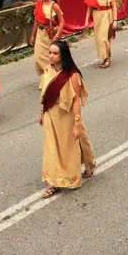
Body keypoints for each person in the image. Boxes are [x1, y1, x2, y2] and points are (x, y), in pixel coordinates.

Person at [39, 41, 96, 198]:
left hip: (67, 114)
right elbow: (45, 94)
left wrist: (77, 123)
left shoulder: (72, 75)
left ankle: (86, 164)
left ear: (63, 55)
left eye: (55, 53)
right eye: (50, 52)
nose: (51, 56)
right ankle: (54, 182)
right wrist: (42, 112)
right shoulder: (48, 70)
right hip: (51, 113)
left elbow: (76, 100)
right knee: (52, 148)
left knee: (70, 146)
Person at [84, 0, 118, 69]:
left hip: (107, 15)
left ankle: (107, 58)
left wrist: (115, 20)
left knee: (104, 38)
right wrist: (86, 20)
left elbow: (114, 7)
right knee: (99, 38)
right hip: (97, 16)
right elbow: (89, 7)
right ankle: (104, 56)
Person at [30, 0, 64, 76]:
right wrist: (33, 36)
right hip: (41, 34)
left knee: (52, 57)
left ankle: (53, 76)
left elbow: (62, 22)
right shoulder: (38, 4)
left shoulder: (54, 6)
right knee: (38, 58)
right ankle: (47, 76)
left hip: (51, 34)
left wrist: (57, 36)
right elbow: (36, 21)